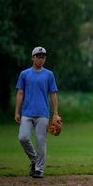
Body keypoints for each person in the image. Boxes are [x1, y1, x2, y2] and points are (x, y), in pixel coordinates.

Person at [14, 46, 61, 178]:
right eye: (38, 57)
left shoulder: (49, 74)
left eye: (43, 57)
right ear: (33, 58)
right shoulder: (24, 74)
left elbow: (53, 94)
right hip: (27, 113)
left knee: (41, 141)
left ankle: (39, 169)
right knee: (22, 138)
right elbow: (20, 93)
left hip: (42, 113)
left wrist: (55, 113)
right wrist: (17, 112)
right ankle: (35, 160)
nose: (41, 59)